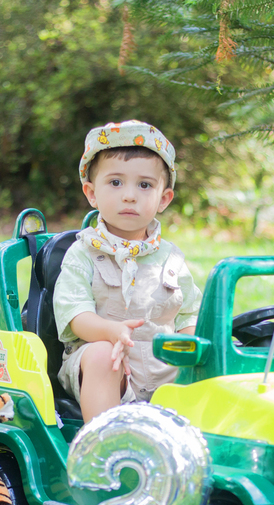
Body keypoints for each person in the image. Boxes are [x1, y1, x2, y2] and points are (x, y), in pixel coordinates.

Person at [53, 120, 201, 423]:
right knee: (103, 356)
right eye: (116, 183)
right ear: (92, 194)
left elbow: (190, 313)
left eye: (144, 185)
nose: (130, 195)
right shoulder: (83, 253)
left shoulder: (171, 257)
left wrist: (191, 345)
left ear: (163, 199)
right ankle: (106, 441)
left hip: (163, 365)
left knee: (213, 358)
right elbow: (75, 315)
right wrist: (110, 331)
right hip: (103, 368)